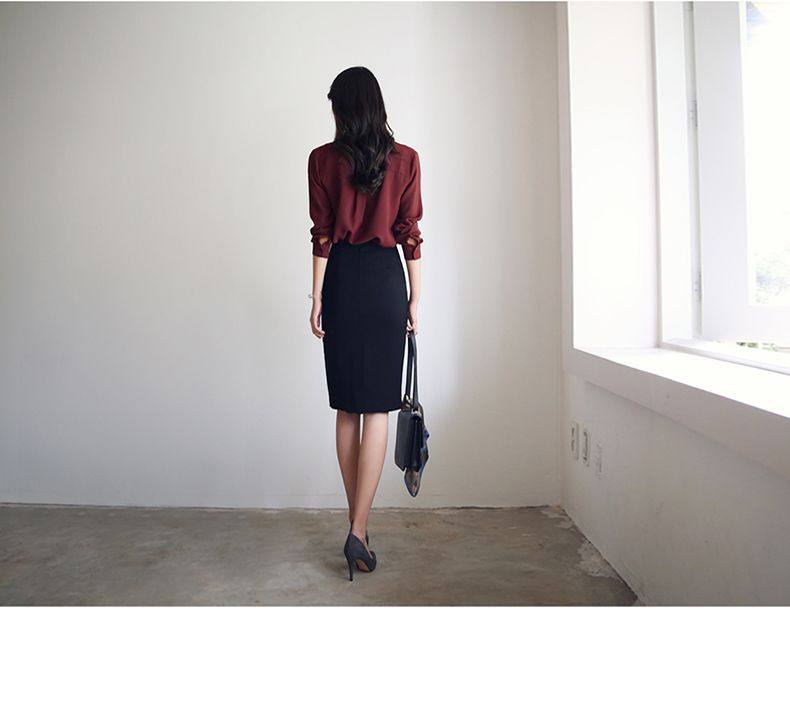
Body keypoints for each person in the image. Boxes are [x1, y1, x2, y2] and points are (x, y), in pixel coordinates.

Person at [307, 66, 423, 581]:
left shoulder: (321, 160)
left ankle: (357, 524)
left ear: (343, 109)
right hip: (384, 282)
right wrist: (415, 297)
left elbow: (322, 233)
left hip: (342, 282)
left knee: (347, 409)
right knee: (378, 409)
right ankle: (359, 529)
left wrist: (317, 297)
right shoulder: (406, 160)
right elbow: (410, 233)